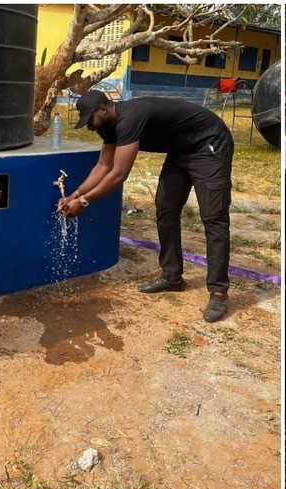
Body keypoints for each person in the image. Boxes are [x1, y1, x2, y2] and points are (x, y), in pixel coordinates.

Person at [60, 91, 235, 322]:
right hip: (181, 150)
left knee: (214, 218)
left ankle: (219, 291)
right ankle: (172, 277)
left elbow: (118, 174)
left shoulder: (130, 117)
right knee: (166, 209)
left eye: (90, 120)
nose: (89, 127)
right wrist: (74, 194)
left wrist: (83, 202)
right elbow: (103, 166)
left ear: (103, 109)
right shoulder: (107, 126)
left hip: (208, 144)